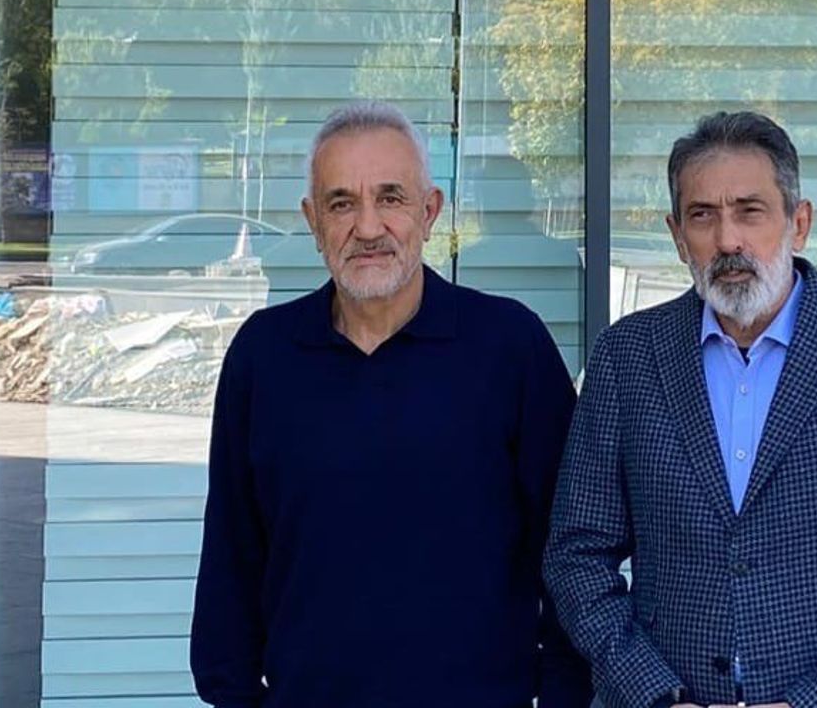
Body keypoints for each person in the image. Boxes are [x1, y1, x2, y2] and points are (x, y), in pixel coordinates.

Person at [544, 111, 817, 708]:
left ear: (799, 223)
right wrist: (652, 693)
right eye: (703, 216)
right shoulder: (629, 356)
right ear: (677, 235)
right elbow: (576, 555)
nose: (728, 241)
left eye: (750, 211)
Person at [190, 100, 592, 708]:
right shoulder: (263, 356)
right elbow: (232, 553)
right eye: (341, 204)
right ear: (313, 221)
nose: (369, 227)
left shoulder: (510, 348)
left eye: (391, 198)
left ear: (429, 212)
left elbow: (568, 546)